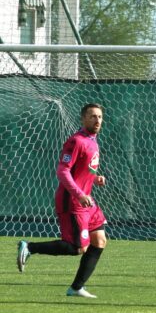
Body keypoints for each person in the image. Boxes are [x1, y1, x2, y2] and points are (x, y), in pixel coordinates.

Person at [16, 103, 108, 298]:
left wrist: (95, 178)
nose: (97, 120)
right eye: (92, 116)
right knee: (77, 248)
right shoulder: (76, 141)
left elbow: (83, 170)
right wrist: (79, 193)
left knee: (99, 240)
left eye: (99, 116)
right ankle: (30, 247)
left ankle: (76, 288)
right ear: (83, 119)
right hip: (73, 201)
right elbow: (63, 170)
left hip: (86, 200)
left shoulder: (93, 141)